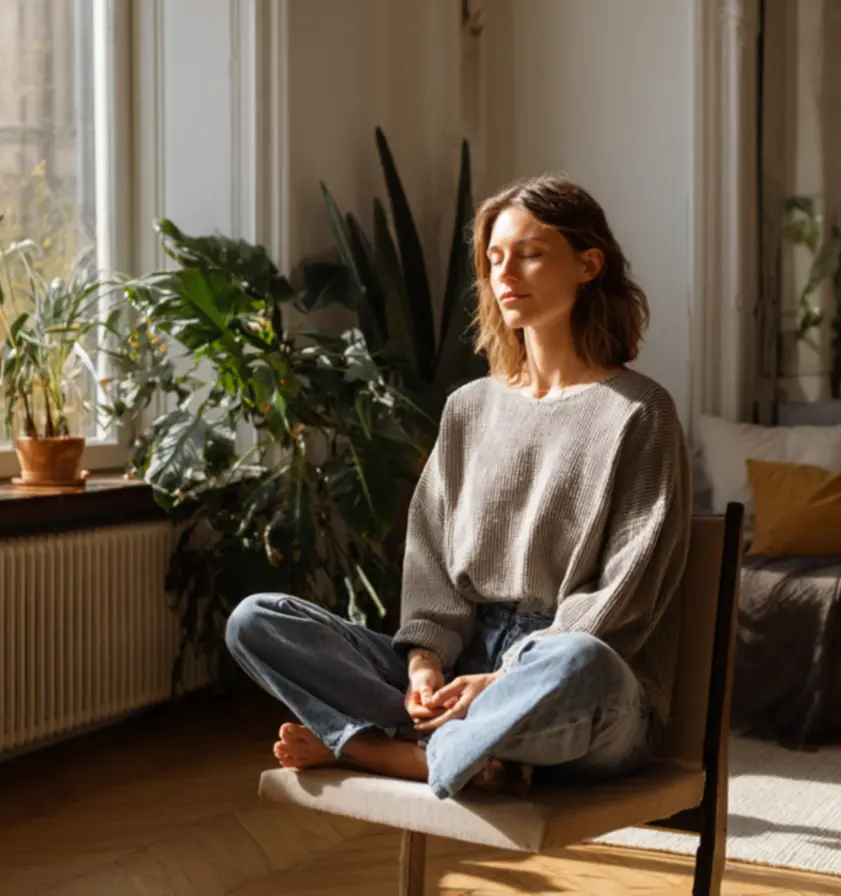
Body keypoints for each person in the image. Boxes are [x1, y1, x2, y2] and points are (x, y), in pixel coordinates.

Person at [225, 174, 692, 800]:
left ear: (588, 265)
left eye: (529, 253)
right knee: (256, 620)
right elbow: (430, 561)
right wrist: (424, 664)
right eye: (494, 258)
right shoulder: (468, 408)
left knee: (579, 664)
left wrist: (502, 682)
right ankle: (468, 753)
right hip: (462, 662)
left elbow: (624, 599)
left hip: (576, 687)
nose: (506, 274)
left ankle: (383, 753)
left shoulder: (640, 411)